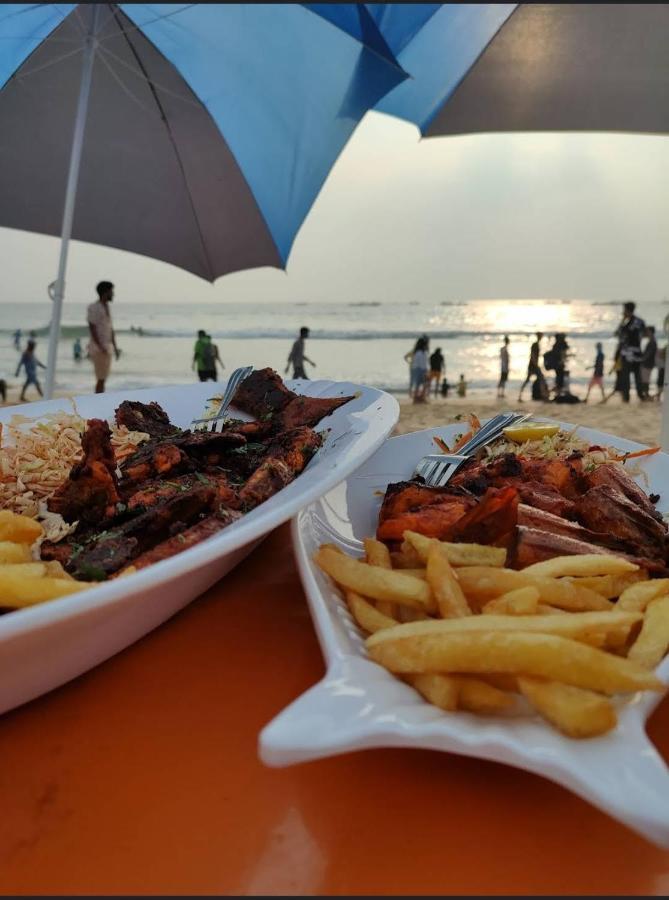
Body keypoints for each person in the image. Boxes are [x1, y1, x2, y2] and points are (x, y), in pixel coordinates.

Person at [87, 281, 120, 393]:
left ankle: (100, 397)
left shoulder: (107, 307)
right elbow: (92, 327)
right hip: (99, 348)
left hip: (107, 347)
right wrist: (100, 346)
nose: (113, 294)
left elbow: (110, 329)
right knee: (100, 378)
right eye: (111, 291)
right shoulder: (94, 307)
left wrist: (115, 347)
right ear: (105, 292)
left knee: (103, 378)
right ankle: (98, 399)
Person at [614, 301, 645, 402]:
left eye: (624, 310)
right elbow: (642, 334)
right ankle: (640, 395)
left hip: (628, 354)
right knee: (637, 376)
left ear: (627, 310)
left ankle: (626, 397)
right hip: (637, 353)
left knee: (626, 377)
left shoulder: (627, 323)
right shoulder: (640, 321)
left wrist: (622, 321)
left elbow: (618, 334)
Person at [518, 332, 543, 401]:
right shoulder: (535, 345)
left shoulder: (537, 344)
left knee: (536, 379)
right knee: (540, 379)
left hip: (533, 365)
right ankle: (520, 396)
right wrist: (536, 364)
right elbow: (532, 355)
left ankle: (520, 396)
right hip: (533, 366)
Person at [639, 325, 657, 401]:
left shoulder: (652, 342)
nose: (646, 333)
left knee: (645, 380)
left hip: (647, 364)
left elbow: (648, 354)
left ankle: (646, 395)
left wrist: (642, 360)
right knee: (645, 379)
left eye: (647, 331)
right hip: (649, 363)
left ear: (650, 332)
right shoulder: (652, 341)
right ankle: (646, 394)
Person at [409, 337, 429, 403]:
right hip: (421, 370)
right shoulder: (421, 353)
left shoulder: (418, 352)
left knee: (419, 385)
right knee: (424, 384)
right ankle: (420, 398)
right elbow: (422, 363)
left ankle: (417, 398)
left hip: (417, 369)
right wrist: (425, 371)